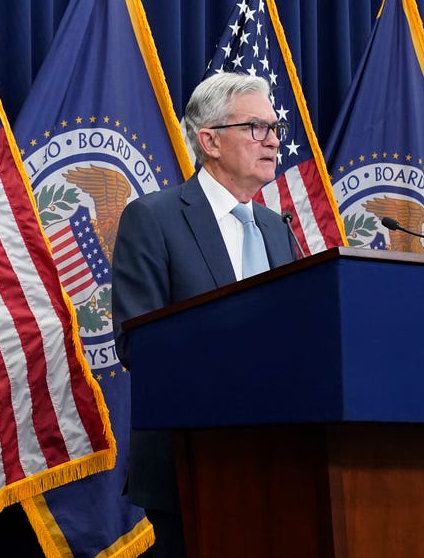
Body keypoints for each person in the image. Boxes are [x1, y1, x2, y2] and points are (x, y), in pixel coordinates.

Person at [112, 71, 299, 557]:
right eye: (256, 127)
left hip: (282, 461)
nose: (273, 141)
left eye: (275, 128)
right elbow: (139, 343)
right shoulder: (154, 218)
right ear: (209, 141)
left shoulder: (278, 229)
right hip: (191, 463)